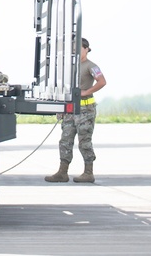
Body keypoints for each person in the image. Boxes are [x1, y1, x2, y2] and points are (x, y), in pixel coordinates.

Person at [45, 37, 106, 184]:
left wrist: (86, 92)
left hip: (85, 109)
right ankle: (62, 172)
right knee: (65, 140)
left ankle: (88, 172)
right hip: (70, 109)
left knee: (84, 141)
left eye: (79, 47)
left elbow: (102, 81)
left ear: (86, 49)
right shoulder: (70, 67)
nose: (76, 50)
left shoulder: (91, 66)